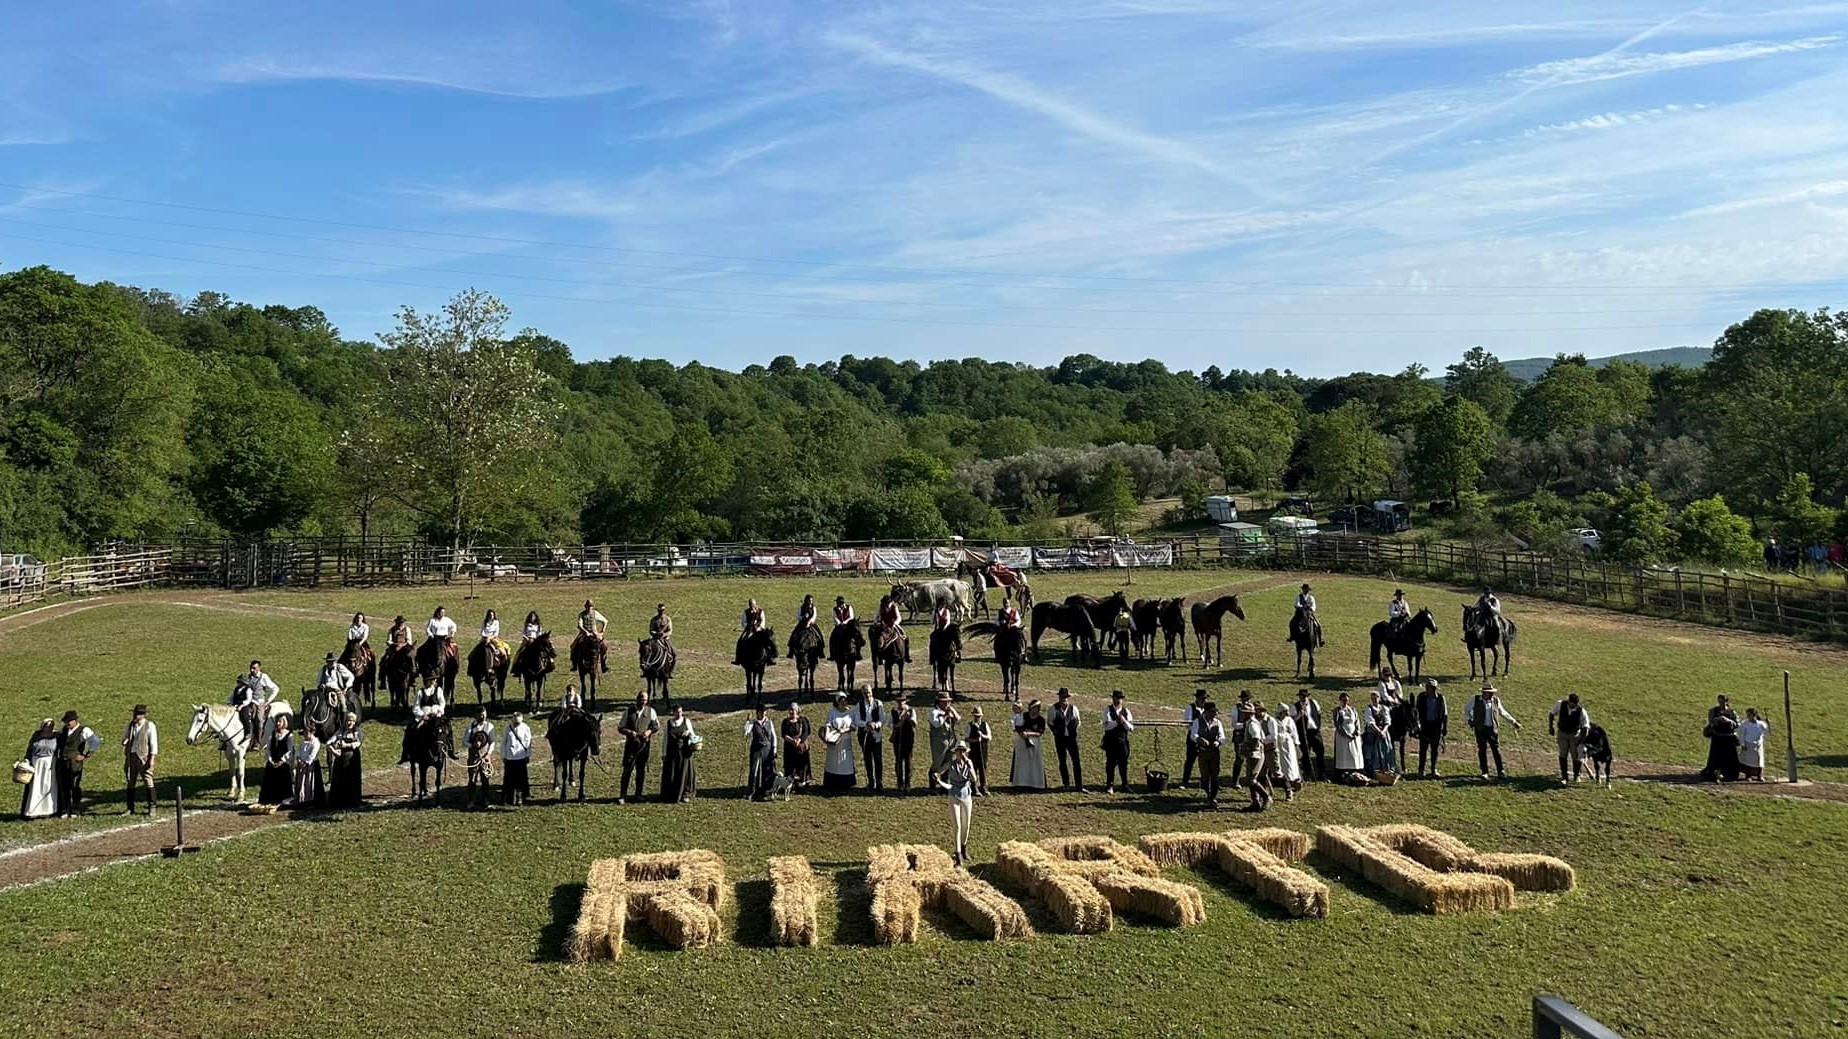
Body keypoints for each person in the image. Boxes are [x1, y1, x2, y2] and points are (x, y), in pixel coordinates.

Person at [1465, 684, 1520, 780]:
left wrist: (1513, 722)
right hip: (1480, 729)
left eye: (1492, 693)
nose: (1491, 694)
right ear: (1483, 692)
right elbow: (1466, 709)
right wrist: (1470, 720)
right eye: (1489, 693)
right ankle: (1484, 772)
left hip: (1492, 729)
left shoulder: (1495, 700)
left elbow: (1503, 712)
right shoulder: (1475, 699)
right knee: (1482, 750)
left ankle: (1500, 771)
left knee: (1496, 750)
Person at [935, 741, 978, 867]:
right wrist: (937, 776)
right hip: (954, 795)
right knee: (957, 826)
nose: (961, 753)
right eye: (959, 750)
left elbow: (974, 779)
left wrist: (968, 765)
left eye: (963, 750)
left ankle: (964, 848)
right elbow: (940, 771)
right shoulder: (951, 764)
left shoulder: (969, 763)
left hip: (966, 795)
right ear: (956, 752)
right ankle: (958, 853)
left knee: (966, 824)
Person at [617, 691, 659, 804]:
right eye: (641, 699)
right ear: (637, 699)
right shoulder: (628, 711)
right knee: (627, 771)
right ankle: (623, 795)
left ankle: (638, 794)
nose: (643, 701)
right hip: (631, 746)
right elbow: (620, 727)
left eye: (645, 700)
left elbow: (656, 726)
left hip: (644, 746)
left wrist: (649, 731)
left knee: (641, 771)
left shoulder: (651, 711)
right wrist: (629, 732)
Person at [55, 710, 99, 818]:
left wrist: (86, 755)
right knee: (64, 786)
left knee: (74, 785)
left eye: (69, 721)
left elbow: (95, 741)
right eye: (66, 721)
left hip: (75, 762)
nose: (68, 723)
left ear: (75, 721)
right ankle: (65, 808)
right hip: (63, 761)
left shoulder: (84, 730)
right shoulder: (64, 730)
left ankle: (75, 808)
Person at [121, 704, 159, 815]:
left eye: (138, 714)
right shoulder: (131, 725)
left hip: (143, 757)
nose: (135, 715)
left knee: (148, 780)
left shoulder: (149, 725)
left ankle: (152, 807)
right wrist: (125, 740)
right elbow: (125, 738)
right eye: (135, 713)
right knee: (130, 781)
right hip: (131, 756)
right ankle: (130, 808)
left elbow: (153, 743)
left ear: (143, 715)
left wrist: (151, 758)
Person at [230, 660, 280, 744]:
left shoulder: (263, 677)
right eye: (251, 668)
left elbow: (275, 688)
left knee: (259, 720)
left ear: (259, 668)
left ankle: (257, 741)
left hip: (259, 702)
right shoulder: (247, 677)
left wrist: (268, 701)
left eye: (254, 668)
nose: (252, 670)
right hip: (248, 701)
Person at [1548, 693, 1592, 783]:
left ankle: (1577, 775)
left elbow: (1585, 727)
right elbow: (1552, 714)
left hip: (1574, 735)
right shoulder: (1560, 704)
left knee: (1575, 756)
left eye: (1574, 704)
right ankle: (1564, 776)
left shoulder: (1581, 712)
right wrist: (1551, 727)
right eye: (1570, 703)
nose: (1572, 705)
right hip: (1562, 733)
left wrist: (1581, 740)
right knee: (1562, 754)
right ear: (1568, 701)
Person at [19, 719, 58, 820]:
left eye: (51, 725)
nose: (49, 727)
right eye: (47, 726)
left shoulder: (57, 736)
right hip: (36, 762)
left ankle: (48, 811)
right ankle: (32, 811)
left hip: (50, 764)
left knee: (48, 786)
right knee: (35, 787)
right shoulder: (36, 735)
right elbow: (30, 749)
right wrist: (27, 759)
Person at [1190, 702, 1225, 807]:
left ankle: (1213, 798)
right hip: (1203, 752)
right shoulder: (1197, 721)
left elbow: (1222, 736)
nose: (1214, 714)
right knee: (1205, 774)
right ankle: (1207, 794)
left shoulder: (1218, 723)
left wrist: (1218, 742)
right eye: (1212, 712)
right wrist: (1199, 739)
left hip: (1214, 752)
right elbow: (1193, 735)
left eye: (1215, 712)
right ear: (1206, 712)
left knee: (1215, 775)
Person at [661, 705, 698, 804]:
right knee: (672, 774)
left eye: (681, 712)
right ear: (673, 712)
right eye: (677, 712)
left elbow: (693, 736)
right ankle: (672, 794)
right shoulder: (669, 723)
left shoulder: (686, 722)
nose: (679, 714)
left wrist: (689, 733)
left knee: (685, 774)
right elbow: (665, 739)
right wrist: (664, 753)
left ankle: (685, 794)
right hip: (672, 753)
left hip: (684, 752)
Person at [327, 712, 364, 809]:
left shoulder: (357, 731)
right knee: (340, 779)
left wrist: (346, 745)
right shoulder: (340, 731)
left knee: (352, 779)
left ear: (355, 722)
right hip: (340, 760)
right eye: (348, 720)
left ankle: (352, 801)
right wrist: (333, 750)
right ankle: (339, 801)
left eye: (352, 721)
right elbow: (329, 742)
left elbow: (357, 743)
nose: (349, 723)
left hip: (352, 759)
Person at [1701, 694, 1741, 782]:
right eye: (1719, 701)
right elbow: (1711, 722)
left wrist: (1728, 721)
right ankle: (1714, 774)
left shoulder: (1732, 712)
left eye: (1723, 701)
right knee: (1716, 757)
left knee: (1729, 757)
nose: (1721, 703)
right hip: (1717, 737)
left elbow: (1737, 724)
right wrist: (1717, 720)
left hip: (1728, 738)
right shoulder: (1713, 711)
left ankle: (1730, 774)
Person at [1049, 688, 1084, 791]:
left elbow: (1078, 721)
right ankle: (1066, 784)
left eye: (1065, 697)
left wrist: (1073, 731)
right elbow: (1050, 722)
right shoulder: (1053, 709)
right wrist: (1056, 732)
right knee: (1062, 761)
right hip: (1060, 739)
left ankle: (1079, 785)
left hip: (1071, 739)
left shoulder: (1073, 709)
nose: (1063, 699)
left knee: (1076, 761)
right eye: (1061, 697)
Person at [822, 693, 857, 792]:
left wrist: (845, 730)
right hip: (834, 740)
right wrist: (826, 737)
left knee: (845, 761)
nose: (844, 702)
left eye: (845, 700)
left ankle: (846, 783)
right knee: (833, 762)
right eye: (842, 700)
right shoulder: (832, 712)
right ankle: (832, 783)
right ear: (837, 702)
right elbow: (828, 725)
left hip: (845, 740)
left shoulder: (850, 712)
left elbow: (854, 726)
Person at [1101, 690, 1134, 793]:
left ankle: (1125, 785)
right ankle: (1109, 785)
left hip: (1122, 742)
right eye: (1115, 698)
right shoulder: (1108, 710)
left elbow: (1131, 728)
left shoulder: (1126, 711)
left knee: (1123, 764)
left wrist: (1124, 721)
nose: (1117, 700)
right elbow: (1107, 726)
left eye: (1119, 698)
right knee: (1110, 764)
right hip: (1111, 742)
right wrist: (1117, 722)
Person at [854, 683, 885, 791]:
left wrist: (875, 725)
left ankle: (879, 781)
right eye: (865, 693)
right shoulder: (859, 705)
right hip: (864, 736)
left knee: (878, 759)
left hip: (876, 735)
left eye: (869, 692)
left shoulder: (878, 703)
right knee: (867, 759)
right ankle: (871, 782)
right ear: (862, 694)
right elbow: (857, 720)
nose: (868, 695)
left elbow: (882, 719)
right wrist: (867, 723)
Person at [1415, 679, 1448, 778]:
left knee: (1434, 750)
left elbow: (1445, 714)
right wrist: (1418, 724)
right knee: (1423, 750)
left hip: (1436, 726)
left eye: (1429, 688)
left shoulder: (1441, 698)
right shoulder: (1421, 697)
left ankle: (1433, 769)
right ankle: (1421, 770)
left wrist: (1444, 727)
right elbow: (1417, 712)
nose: (1427, 689)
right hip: (1425, 726)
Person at [1011, 700, 1047, 791]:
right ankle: (1021, 782)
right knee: (1022, 762)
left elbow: (1039, 733)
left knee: (1034, 763)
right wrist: (1022, 733)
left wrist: (1029, 734)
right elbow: (1017, 726)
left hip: (1034, 742)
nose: (1037, 710)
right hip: (1022, 741)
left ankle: (1035, 783)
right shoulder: (1024, 716)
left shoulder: (1041, 720)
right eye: (1035, 708)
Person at [463, 708, 495, 810]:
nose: (482, 717)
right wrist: (472, 745)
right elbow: (464, 741)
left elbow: (492, 742)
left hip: (485, 757)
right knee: (472, 779)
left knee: (485, 779)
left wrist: (488, 754)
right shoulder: (471, 727)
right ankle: (471, 800)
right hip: (473, 758)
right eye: (481, 715)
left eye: (484, 715)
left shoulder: (489, 726)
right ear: (476, 715)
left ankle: (486, 800)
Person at [259, 714, 293, 806]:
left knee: (283, 778)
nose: (278, 723)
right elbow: (269, 748)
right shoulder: (273, 734)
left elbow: (290, 750)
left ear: (284, 723)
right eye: (277, 722)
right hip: (273, 761)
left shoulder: (289, 735)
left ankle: (284, 799)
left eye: (280, 722)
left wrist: (282, 760)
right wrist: (270, 760)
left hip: (282, 762)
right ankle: (270, 799)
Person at [1179, 689, 1211, 788]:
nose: (1204, 701)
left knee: (1205, 761)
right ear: (1197, 698)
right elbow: (1187, 723)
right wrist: (1197, 727)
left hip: (1205, 737)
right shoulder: (1190, 708)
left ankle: (1204, 782)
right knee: (1190, 760)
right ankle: (1185, 781)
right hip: (1193, 737)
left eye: (1205, 699)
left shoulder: (1206, 709)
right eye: (1202, 698)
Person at [1243, 704, 1272, 811]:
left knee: (1251, 779)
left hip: (1255, 754)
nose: (1242, 714)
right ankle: (1255, 802)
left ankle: (1266, 797)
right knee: (1250, 779)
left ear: (1249, 714)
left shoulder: (1252, 724)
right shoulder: (1253, 723)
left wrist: (1248, 747)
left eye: (1244, 712)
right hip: (1254, 754)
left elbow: (1256, 738)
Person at [501, 712, 533, 807]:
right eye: (515, 722)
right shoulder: (507, 728)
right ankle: (508, 798)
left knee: (521, 779)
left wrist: (528, 755)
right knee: (509, 779)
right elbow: (504, 743)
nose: (516, 725)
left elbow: (529, 743)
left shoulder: (526, 728)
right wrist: (504, 756)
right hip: (510, 757)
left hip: (521, 757)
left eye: (518, 723)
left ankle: (521, 797)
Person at [1272, 703, 1301, 803]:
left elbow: (1294, 732)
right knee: (1282, 763)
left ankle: (1293, 779)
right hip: (1280, 745)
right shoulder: (1275, 721)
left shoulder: (1289, 721)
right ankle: (1285, 780)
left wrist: (1296, 743)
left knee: (1291, 762)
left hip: (1289, 745)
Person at [1293, 689, 1324, 782]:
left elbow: (1318, 714)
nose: (1303, 698)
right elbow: (1292, 721)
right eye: (1301, 697)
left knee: (1320, 751)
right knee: (1305, 754)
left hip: (1314, 731)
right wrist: (1299, 715)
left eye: (1305, 696)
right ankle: (1308, 774)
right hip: (1303, 733)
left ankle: (1322, 774)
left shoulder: (1314, 703)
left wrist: (1318, 726)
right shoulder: (1295, 707)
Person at [290, 723, 324, 808]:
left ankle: (310, 800)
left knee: (309, 783)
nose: (305, 735)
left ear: (312, 732)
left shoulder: (315, 742)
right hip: (301, 765)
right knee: (301, 783)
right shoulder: (303, 742)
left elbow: (312, 754)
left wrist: (305, 762)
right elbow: (298, 751)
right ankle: (301, 799)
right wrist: (298, 759)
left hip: (310, 766)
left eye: (306, 733)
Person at [1388, 676, 1417, 773]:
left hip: (1397, 703)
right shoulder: (1383, 684)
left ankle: (1411, 728)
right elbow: (1384, 695)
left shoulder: (1396, 683)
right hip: (1388, 704)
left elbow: (1399, 694)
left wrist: (1398, 700)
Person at [929, 693, 960, 783]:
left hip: (950, 739)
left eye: (948, 702)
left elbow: (958, 719)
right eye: (944, 702)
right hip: (939, 740)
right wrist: (946, 715)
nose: (946, 704)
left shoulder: (949, 710)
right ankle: (933, 784)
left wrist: (953, 711)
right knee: (937, 763)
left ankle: (944, 783)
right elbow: (936, 724)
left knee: (948, 762)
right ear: (938, 702)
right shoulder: (934, 712)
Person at [1331, 693, 1363, 779]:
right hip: (1342, 736)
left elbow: (1357, 721)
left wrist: (1357, 732)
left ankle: (1354, 771)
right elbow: (1337, 724)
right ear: (1340, 700)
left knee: (1353, 753)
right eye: (1343, 700)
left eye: (1347, 700)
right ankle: (1342, 772)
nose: (1345, 702)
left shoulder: (1352, 709)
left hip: (1353, 735)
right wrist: (1346, 734)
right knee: (1344, 753)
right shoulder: (1337, 711)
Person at [890, 691, 917, 793]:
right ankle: (900, 782)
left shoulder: (911, 711)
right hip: (897, 739)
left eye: (902, 700)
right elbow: (892, 725)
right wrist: (901, 720)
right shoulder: (893, 711)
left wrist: (908, 717)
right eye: (899, 701)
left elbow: (914, 724)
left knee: (908, 762)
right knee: (898, 761)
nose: (901, 702)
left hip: (908, 739)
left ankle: (908, 783)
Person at [1362, 691, 1393, 777]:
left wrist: (1383, 732)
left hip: (1384, 734)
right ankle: (1372, 771)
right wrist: (1379, 732)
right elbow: (1371, 723)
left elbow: (1387, 721)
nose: (1374, 700)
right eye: (1372, 698)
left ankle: (1386, 770)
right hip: (1372, 733)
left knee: (1386, 751)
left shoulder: (1384, 708)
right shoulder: (1369, 709)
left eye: (1376, 698)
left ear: (1379, 698)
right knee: (1371, 753)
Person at [781, 703, 812, 788]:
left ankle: (802, 782)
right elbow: (784, 734)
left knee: (802, 765)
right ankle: (791, 784)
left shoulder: (803, 720)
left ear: (797, 710)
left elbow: (806, 732)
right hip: (789, 748)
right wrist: (792, 741)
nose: (792, 712)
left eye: (793, 710)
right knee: (790, 765)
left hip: (800, 748)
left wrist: (799, 740)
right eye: (790, 710)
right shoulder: (785, 722)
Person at [967, 706, 994, 796]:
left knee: (983, 769)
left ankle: (983, 787)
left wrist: (982, 736)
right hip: (973, 751)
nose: (977, 718)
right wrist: (975, 740)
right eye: (975, 716)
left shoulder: (985, 724)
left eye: (978, 716)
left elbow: (989, 737)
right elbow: (967, 738)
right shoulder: (969, 725)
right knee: (973, 769)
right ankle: (973, 788)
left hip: (983, 750)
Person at [1738, 707, 1770, 782]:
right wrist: (1743, 744)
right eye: (1747, 715)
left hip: (1758, 745)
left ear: (1754, 715)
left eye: (1750, 715)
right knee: (1748, 761)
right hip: (1748, 744)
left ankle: (1760, 776)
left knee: (1759, 760)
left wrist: (1768, 724)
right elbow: (1742, 735)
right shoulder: (1744, 724)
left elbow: (1767, 731)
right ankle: (1748, 776)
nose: (1748, 716)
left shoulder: (1761, 724)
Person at [578, 600, 610, 674]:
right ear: (585, 607)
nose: (589, 608)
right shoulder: (581, 614)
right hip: (584, 634)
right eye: (588, 606)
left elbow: (605, 621)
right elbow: (580, 625)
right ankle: (575, 663)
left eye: (591, 606)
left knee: (604, 647)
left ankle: (603, 664)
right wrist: (586, 632)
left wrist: (602, 631)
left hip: (595, 633)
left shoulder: (595, 613)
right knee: (573, 646)